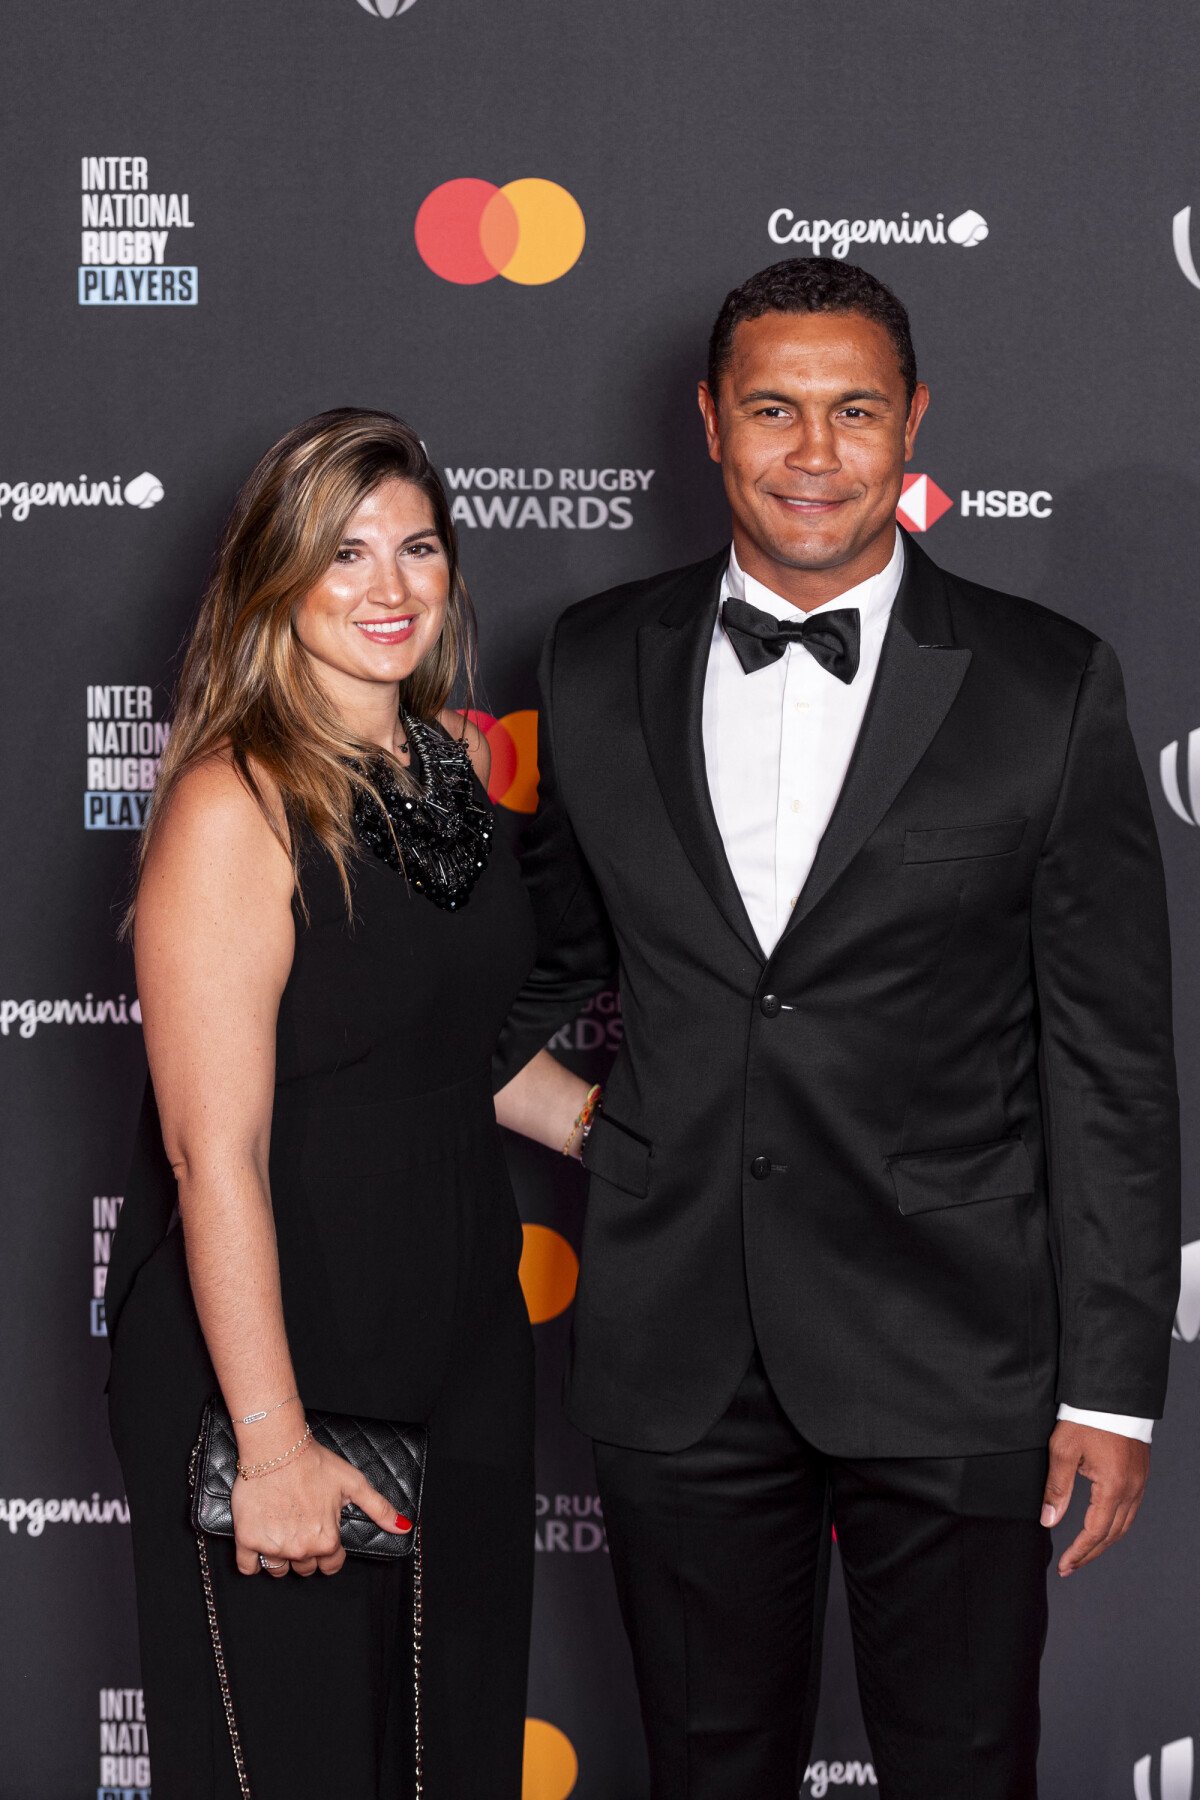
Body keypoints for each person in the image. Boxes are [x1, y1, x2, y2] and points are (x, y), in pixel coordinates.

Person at [493, 259, 1181, 1798]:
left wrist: (1111, 1386)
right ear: (710, 428)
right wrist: (348, 987)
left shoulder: (1044, 683)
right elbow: (541, 962)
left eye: (855, 411)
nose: (815, 453)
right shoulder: (596, 660)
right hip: (679, 1341)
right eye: (775, 411)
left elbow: (1113, 1060)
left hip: (955, 1342)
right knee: (707, 1769)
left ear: (914, 421)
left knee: (964, 1766)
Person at [106, 409, 592, 1800]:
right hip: (278, 1342)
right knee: (299, 1761)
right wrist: (271, 1442)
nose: (389, 588)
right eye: (344, 555)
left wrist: (623, 1142)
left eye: (417, 548)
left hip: (460, 1338)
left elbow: (452, 1050)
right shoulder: (233, 802)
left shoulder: (447, 764)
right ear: (276, 583)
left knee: (450, 1755)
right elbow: (216, 1154)